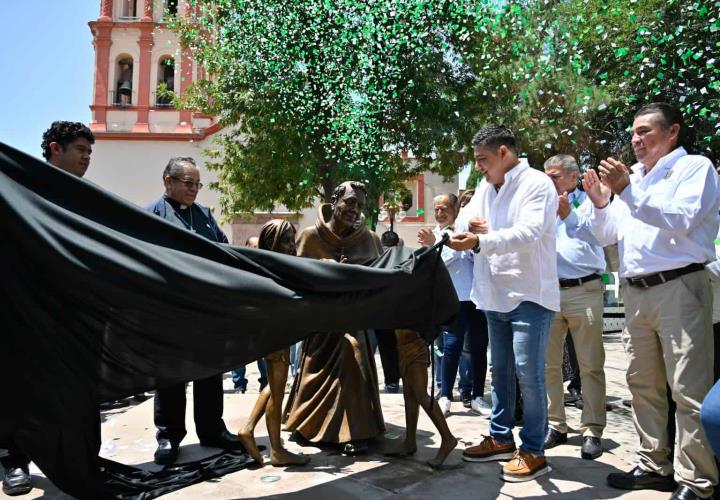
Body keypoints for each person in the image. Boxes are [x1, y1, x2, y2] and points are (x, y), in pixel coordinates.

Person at [578, 103, 719, 499]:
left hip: (680, 286)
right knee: (643, 384)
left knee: (687, 389)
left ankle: (696, 479)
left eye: (644, 132)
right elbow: (607, 236)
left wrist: (625, 191)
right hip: (636, 292)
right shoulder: (634, 177)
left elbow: (683, 218)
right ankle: (653, 463)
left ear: (672, 132)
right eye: (633, 133)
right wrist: (603, 202)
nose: (635, 140)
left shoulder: (694, 168)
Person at [448, 125, 559, 482]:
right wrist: (472, 229)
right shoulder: (485, 187)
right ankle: (500, 438)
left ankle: (534, 450)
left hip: (528, 294)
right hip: (493, 294)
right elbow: (465, 222)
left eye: (482, 159)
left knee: (529, 374)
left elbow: (528, 233)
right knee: (501, 373)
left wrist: (483, 239)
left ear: (504, 154)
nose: (478, 167)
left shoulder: (537, 184)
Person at [1, 121, 96, 497]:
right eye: (80, 152)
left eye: (90, 153)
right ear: (55, 149)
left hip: (69, 312)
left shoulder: (83, 196)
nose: (86, 160)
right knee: (16, 386)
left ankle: (77, 459)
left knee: (72, 391)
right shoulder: (20, 187)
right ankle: (13, 461)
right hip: (21, 308)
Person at [145, 157, 245, 465]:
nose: (194, 190)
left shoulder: (204, 215)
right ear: (168, 181)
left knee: (210, 374)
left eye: (197, 184)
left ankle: (212, 430)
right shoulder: (151, 215)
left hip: (206, 312)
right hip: (171, 313)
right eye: (188, 183)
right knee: (171, 378)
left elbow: (223, 250)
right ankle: (169, 436)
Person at [283, 181, 385, 455]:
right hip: (321, 321)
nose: (355, 210)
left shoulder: (371, 240)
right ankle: (308, 424)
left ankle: (356, 430)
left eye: (360, 206)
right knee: (315, 371)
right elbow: (296, 279)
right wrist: (323, 273)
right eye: (349, 203)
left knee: (353, 358)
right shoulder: (310, 236)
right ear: (334, 201)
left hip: (354, 320)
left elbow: (379, 283)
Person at [542, 154, 607, 460]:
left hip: (585, 289)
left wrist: (568, 215)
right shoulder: (542, 206)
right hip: (550, 292)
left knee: (590, 364)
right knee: (549, 365)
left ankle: (592, 429)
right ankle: (557, 424)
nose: (548, 181)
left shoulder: (594, 201)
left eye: (554, 176)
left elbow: (599, 236)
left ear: (572, 177)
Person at [237, 220, 310, 467]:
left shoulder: (268, 265)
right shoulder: (273, 269)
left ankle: (248, 429)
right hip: (277, 337)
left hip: (276, 335)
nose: (292, 245)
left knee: (273, 387)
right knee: (278, 394)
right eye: (288, 240)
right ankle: (277, 450)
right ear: (273, 242)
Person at [418, 194, 490, 418]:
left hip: (477, 298)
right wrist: (439, 244)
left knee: (478, 347)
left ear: (456, 209)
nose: (440, 213)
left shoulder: (467, 230)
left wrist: (458, 243)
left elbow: (477, 255)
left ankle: (477, 396)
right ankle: (446, 396)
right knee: (452, 347)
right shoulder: (433, 235)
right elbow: (437, 263)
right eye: (437, 209)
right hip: (452, 299)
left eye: (445, 208)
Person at [384, 329, 458, 467]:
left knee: (421, 395)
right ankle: (410, 441)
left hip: (415, 348)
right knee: (409, 395)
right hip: (404, 348)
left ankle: (448, 438)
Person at [231, 236, 269, 394]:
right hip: (242, 317)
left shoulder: (266, 267)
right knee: (238, 353)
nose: (256, 249)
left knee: (265, 353)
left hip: (262, 317)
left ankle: (266, 383)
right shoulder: (237, 267)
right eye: (253, 246)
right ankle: (239, 385)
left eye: (258, 246)